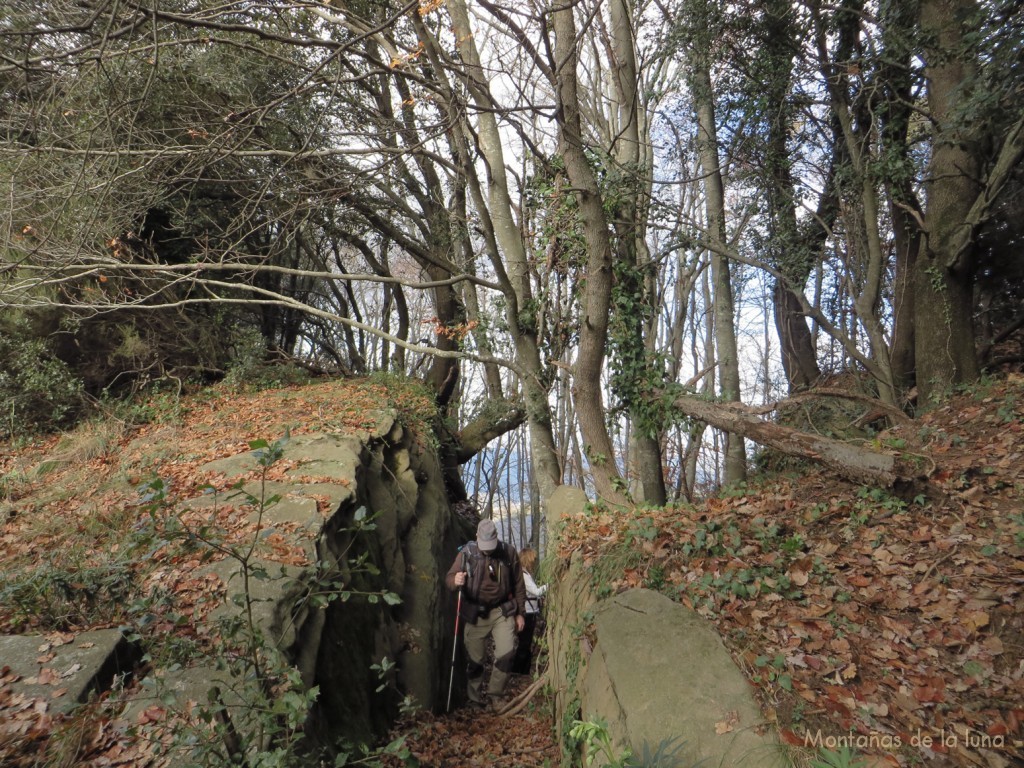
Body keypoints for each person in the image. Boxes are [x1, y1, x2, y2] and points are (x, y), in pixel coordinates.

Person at [445, 519, 526, 709]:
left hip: (502, 610)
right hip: (476, 612)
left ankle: (495, 695)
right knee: (475, 659)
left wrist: (520, 613)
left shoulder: (508, 553)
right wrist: (455, 580)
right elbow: (448, 578)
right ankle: (474, 699)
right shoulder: (467, 553)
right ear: (477, 537)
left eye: (491, 546)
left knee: (506, 653)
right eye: (484, 546)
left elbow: (519, 585)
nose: (487, 550)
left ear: (497, 538)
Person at [511, 548, 546, 676]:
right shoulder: (524, 576)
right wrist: (550, 585)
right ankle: (518, 671)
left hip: (530, 612)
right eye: (533, 559)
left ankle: (521, 670)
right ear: (528, 560)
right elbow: (536, 591)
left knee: (525, 642)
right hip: (528, 613)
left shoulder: (524, 574)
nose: (535, 562)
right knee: (524, 643)